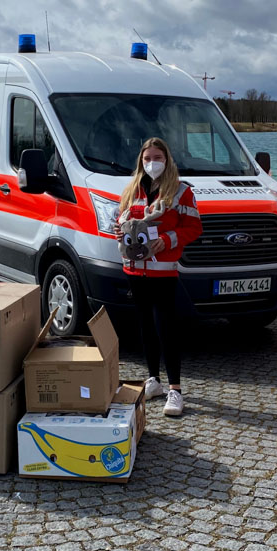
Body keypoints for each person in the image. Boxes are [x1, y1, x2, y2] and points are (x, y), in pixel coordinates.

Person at [113, 137, 202, 417]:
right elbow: (119, 221)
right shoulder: (131, 190)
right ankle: (153, 380)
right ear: (141, 160)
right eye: (147, 158)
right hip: (134, 269)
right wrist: (119, 231)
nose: (152, 163)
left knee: (166, 327)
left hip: (163, 271)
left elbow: (194, 227)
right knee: (145, 326)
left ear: (168, 160)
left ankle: (175, 390)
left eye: (158, 157)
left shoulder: (181, 191)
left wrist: (169, 238)